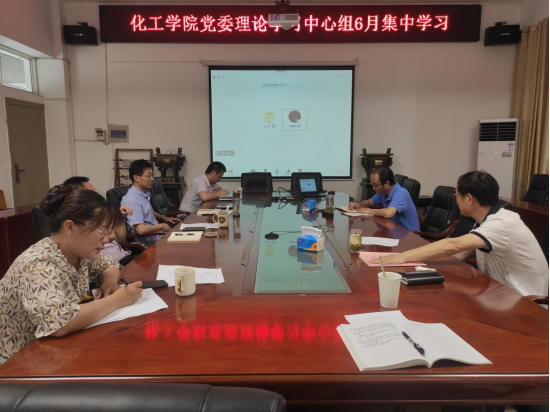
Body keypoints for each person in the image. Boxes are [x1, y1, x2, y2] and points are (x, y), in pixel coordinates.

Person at [0, 185, 143, 365]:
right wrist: (118, 300)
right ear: (70, 227)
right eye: (102, 232)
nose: (106, 239)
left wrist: (109, 281)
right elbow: (58, 322)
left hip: (56, 350)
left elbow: (109, 265)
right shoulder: (38, 264)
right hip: (17, 362)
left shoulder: (77, 252)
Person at [377, 171, 549, 297]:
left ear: (469, 199)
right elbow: (460, 254)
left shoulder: (501, 223)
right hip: (498, 292)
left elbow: (453, 245)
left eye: (457, 196)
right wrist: (418, 266)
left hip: (523, 301)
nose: (456, 200)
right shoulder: (485, 221)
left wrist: (402, 257)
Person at [63, 176, 133, 263]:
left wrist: (118, 216)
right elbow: (113, 236)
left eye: (95, 191)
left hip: (120, 258)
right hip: (112, 262)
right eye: (92, 192)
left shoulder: (99, 212)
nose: (96, 195)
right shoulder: (79, 220)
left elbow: (120, 239)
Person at [121, 159, 180, 247]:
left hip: (161, 235)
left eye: (152, 175)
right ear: (136, 178)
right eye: (148, 176)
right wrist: (161, 226)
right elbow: (141, 230)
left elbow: (147, 211)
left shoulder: (142, 194)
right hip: (154, 242)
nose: (152, 179)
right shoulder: (131, 200)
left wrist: (163, 218)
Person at [349, 167, 420, 231]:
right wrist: (358, 205)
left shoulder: (400, 193)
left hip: (409, 235)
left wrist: (369, 211)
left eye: (375, 186)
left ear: (387, 183)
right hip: (394, 230)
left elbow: (388, 213)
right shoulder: (383, 192)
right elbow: (370, 202)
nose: (373, 188)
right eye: (372, 185)